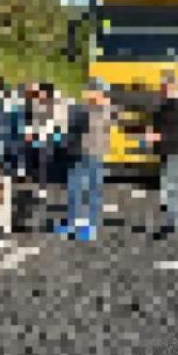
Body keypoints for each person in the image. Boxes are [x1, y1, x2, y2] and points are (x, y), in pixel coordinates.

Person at [57, 79, 113, 241]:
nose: (87, 94)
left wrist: (85, 109)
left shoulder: (104, 109)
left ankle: (90, 225)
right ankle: (73, 221)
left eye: (91, 91)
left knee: (92, 189)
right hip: (80, 152)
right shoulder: (86, 108)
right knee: (74, 187)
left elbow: (92, 125)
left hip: (94, 153)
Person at [146, 72, 178, 235]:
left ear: (171, 86)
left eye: (163, 86)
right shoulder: (168, 104)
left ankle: (174, 224)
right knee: (170, 189)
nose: (160, 89)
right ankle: (173, 222)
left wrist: (158, 136)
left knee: (171, 189)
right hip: (169, 151)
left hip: (176, 151)